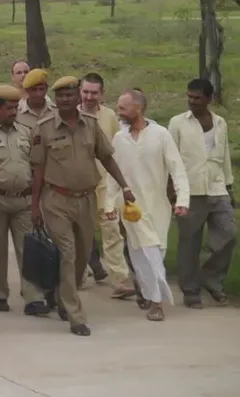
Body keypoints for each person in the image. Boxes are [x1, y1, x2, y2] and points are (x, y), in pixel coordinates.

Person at [30, 76, 135, 337]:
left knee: (81, 255)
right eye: (61, 96)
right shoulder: (43, 128)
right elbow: (38, 171)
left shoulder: (91, 125)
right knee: (67, 253)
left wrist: (125, 186)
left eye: (70, 95)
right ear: (56, 99)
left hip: (87, 199)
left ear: (78, 98)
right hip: (56, 200)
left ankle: (64, 294)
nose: (66, 100)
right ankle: (75, 315)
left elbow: (107, 158)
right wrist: (34, 207)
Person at [110, 90, 190, 321]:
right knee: (147, 254)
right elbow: (112, 175)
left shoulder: (161, 135)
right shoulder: (119, 138)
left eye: (123, 107)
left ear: (139, 108)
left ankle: (146, 290)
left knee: (152, 253)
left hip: (159, 207)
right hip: (132, 209)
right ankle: (157, 303)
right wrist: (108, 205)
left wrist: (182, 201)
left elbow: (178, 170)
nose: (118, 111)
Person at [0, 85, 49, 316]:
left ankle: (33, 297)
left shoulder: (27, 131)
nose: (13, 112)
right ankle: (0, 293)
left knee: (28, 249)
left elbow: (37, 167)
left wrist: (37, 202)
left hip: (24, 200)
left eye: (16, 108)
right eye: (8, 108)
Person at [168, 77, 238, 309]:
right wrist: (173, 192)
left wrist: (229, 185)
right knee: (190, 243)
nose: (192, 101)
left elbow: (225, 155)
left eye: (197, 98)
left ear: (209, 99)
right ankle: (190, 291)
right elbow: (170, 159)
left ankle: (211, 278)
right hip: (189, 191)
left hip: (217, 189)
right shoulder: (178, 123)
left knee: (229, 234)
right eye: (189, 97)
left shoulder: (220, 123)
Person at [80, 73, 134, 297]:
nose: (89, 97)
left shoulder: (110, 116)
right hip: (79, 186)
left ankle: (119, 281)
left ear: (102, 94)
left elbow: (116, 152)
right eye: (85, 92)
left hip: (104, 185)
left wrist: (122, 185)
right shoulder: (70, 115)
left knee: (112, 232)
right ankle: (78, 276)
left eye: (94, 92)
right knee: (80, 234)